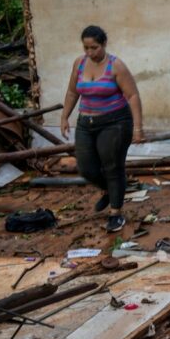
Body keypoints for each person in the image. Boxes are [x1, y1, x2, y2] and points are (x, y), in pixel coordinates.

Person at [61, 25, 145, 232]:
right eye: (86, 48)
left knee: (112, 166)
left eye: (95, 47)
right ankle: (110, 190)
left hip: (115, 122)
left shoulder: (116, 66)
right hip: (86, 123)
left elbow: (132, 96)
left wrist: (138, 128)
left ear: (104, 44)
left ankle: (116, 213)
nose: (90, 52)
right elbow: (73, 92)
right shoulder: (79, 63)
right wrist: (64, 117)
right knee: (86, 167)